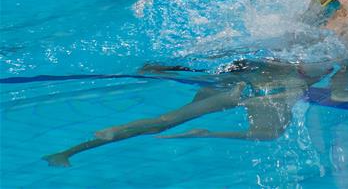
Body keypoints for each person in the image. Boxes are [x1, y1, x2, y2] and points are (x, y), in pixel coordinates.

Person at [43, 60, 332, 166]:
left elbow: (243, 63)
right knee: (270, 133)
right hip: (251, 89)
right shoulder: (308, 68)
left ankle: (71, 151)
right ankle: (70, 152)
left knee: (163, 122)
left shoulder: (298, 59)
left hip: (236, 81)